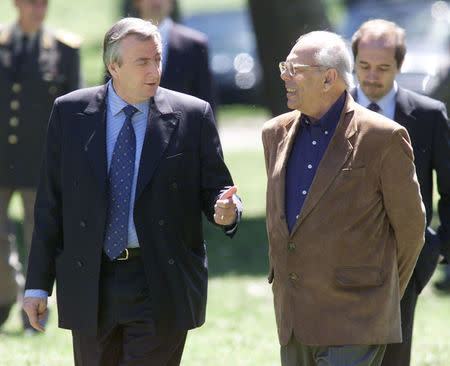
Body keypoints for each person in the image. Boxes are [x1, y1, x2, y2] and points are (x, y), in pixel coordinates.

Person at [22, 17, 241, 366]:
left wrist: (226, 209)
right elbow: (51, 203)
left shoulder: (191, 115)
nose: (154, 69)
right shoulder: (70, 112)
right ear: (114, 66)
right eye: (143, 61)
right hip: (90, 279)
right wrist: (37, 286)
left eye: (157, 58)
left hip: (160, 281)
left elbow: (217, 188)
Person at [262, 30, 426, 366]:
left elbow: (411, 230)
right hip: (293, 318)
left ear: (328, 79)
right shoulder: (274, 133)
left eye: (295, 69)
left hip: (357, 318)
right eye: (284, 66)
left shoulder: (384, 137)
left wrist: (379, 292)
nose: (284, 75)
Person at [350, 19, 450, 365]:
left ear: (399, 66)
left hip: (406, 257)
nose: (372, 76)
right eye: (364, 66)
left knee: (395, 355)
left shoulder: (428, 115)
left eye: (383, 68)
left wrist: (439, 247)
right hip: (342, 256)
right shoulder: (331, 113)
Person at [0, 0, 81, 332]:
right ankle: (5, 297)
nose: (38, 9)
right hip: (1, 161)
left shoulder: (63, 48)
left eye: (43, 3)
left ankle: (34, 312)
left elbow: (75, 111)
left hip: (42, 163)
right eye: (31, 2)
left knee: (40, 240)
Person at [126, 0, 217, 112]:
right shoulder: (121, 43)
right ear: (137, 2)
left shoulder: (195, 45)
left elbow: (206, 100)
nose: (156, 1)